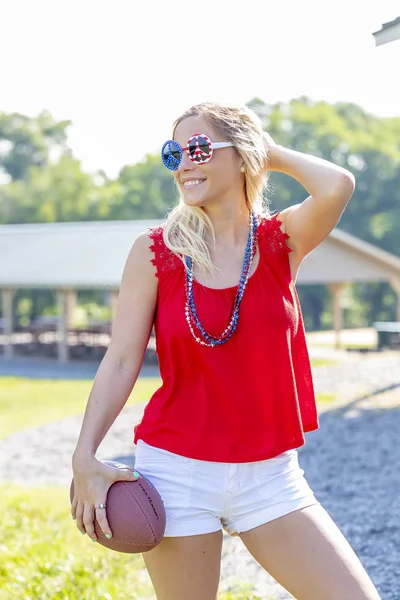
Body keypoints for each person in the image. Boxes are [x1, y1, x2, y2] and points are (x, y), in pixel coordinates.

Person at [71, 102, 382, 600]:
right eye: (174, 153)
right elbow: (122, 360)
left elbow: (337, 185)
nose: (185, 164)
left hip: (270, 477)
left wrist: (266, 150)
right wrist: (83, 456)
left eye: (198, 148)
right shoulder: (155, 252)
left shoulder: (280, 240)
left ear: (241, 157)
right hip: (177, 472)